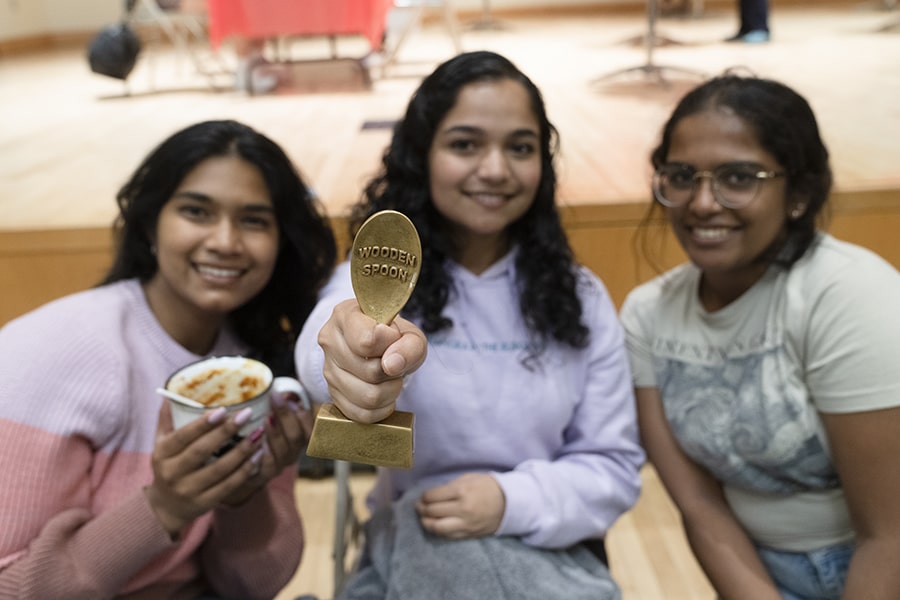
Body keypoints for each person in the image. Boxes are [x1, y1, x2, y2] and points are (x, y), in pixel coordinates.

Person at [295, 50, 644, 599]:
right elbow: (329, 339)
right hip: (410, 536)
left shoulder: (582, 298)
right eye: (465, 144)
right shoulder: (383, 277)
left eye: (520, 148)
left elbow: (613, 466)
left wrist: (509, 501)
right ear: (421, 155)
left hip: (546, 539)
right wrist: (347, 361)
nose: (496, 170)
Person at [0, 119, 337, 598]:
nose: (225, 241)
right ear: (149, 224)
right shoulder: (47, 352)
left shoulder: (258, 372)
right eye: (197, 212)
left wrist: (244, 497)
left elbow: (253, 585)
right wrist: (163, 508)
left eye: (254, 220)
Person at [620, 74, 900, 599]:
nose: (702, 203)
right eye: (681, 176)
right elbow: (700, 508)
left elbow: (889, 536)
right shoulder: (647, 314)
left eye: (739, 177)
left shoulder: (850, 296)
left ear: (797, 193)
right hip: (756, 568)